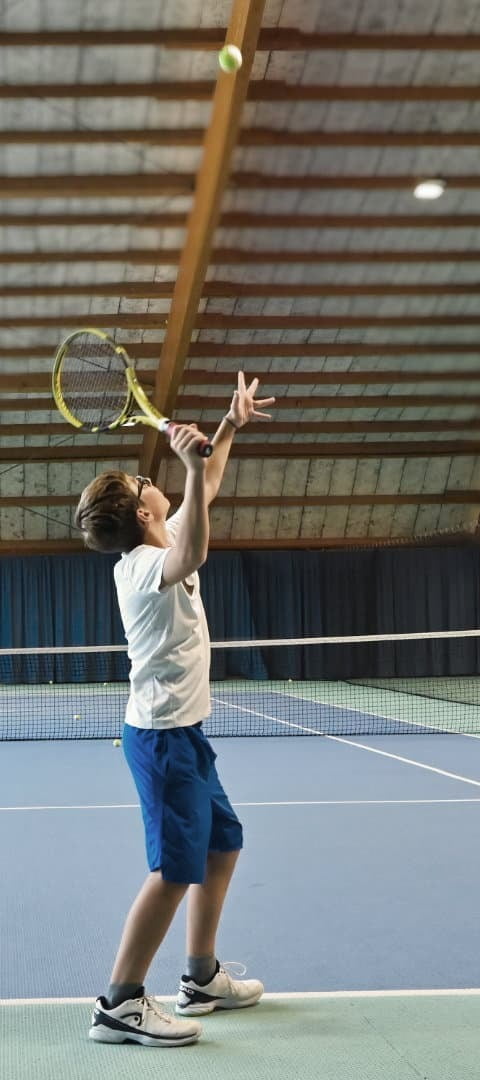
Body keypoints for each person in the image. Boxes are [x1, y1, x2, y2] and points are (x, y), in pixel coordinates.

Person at [74, 373, 274, 1048]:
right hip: (160, 740)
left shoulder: (159, 536)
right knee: (174, 869)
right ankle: (120, 1001)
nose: (146, 479)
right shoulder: (139, 566)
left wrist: (227, 427)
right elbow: (195, 548)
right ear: (141, 514)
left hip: (185, 733)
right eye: (138, 485)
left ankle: (200, 976)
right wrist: (187, 464)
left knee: (223, 845)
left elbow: (207, 483)